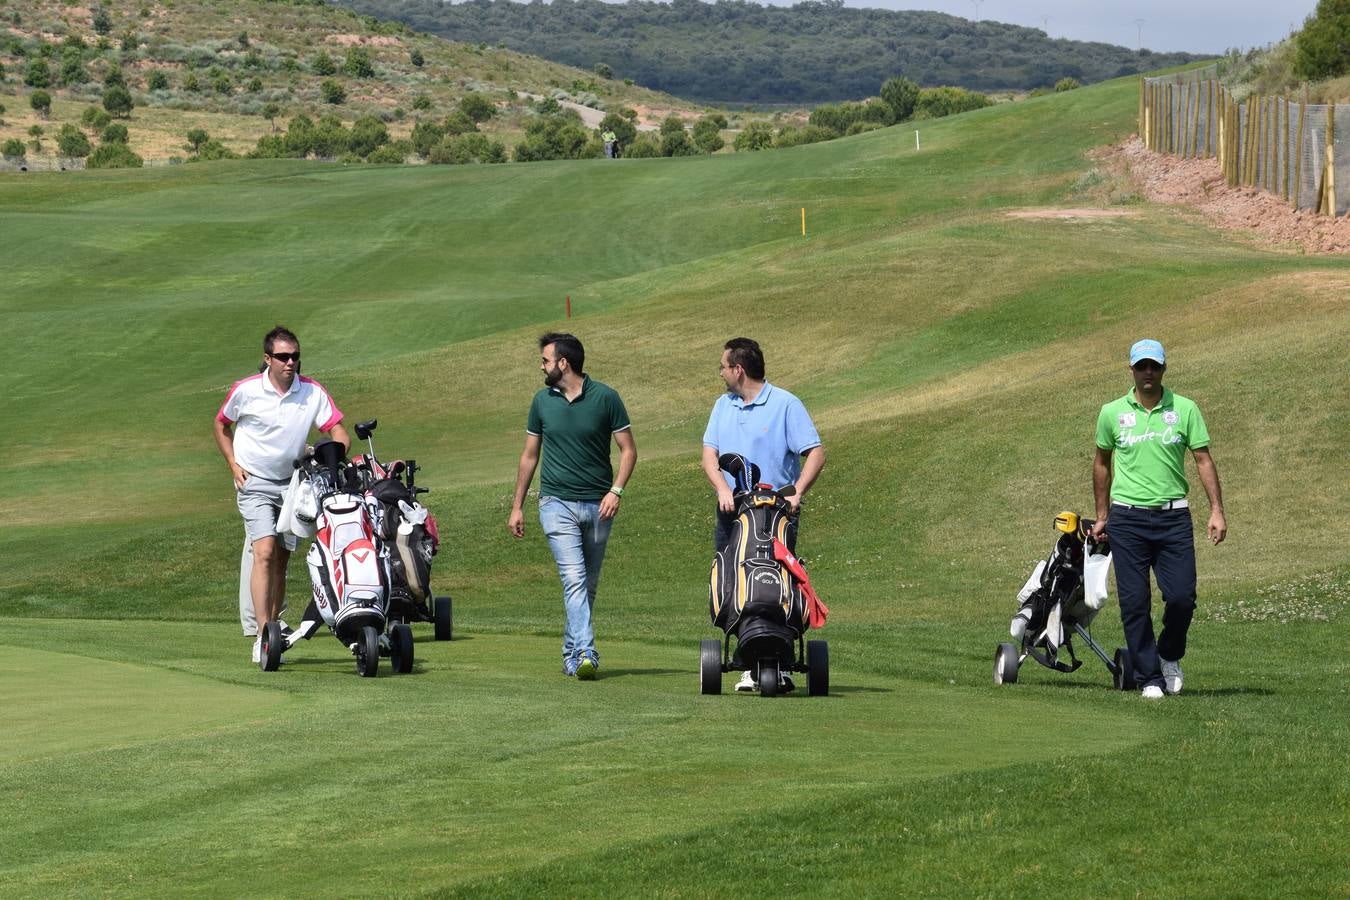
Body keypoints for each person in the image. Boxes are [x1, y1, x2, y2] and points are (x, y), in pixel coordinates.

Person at [1090, 339, 1226, 699]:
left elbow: (1203, 460)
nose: (1148, 372)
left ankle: (1168, 655)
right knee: (1134, 602)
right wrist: (1103, 515)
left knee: (1182, 597)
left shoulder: (1184, 409)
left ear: (1164, 368)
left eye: (1154, 366)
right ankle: (1149, 677)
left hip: (1173, 517)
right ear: (1131, 370)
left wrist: (1216, 510)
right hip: (1127, 519)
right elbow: (1101, 464)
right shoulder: (1112, 412)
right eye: (1141, 366)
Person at [214, 326, 348, 665]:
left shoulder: (312, 392)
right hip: (254, 481)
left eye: (295, 357)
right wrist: (232, 464)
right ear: (267, 359)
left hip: (295, 486)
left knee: (283, 560)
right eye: (283, 357)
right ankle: (262, 636)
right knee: (265, 551)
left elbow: (337, 430)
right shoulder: (246, 391)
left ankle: (272, 628)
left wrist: (334, 454)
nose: (291, 363)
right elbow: (221, 424)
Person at [509, 333, 636, 680]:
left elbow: (628, 450)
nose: (542, 366)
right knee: (574, 579)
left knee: (587, 584)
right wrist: (517, 505)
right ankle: (587, 653)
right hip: (555, 503)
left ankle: (570, 653)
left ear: (563, 363)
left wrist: (616, 491)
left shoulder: (606, 398)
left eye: (546, 360)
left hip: (599, 504)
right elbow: (529, 455)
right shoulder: (541, 401)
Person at [701, 337, 824, 692]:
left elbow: (815, 452)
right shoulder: (723, 406)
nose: (721, 373)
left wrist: (797, 492)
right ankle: (746, 660)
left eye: (723, 367)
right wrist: (723, 489)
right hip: (732, 511)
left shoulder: (785, 404)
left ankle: (781, 661)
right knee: (734, 581)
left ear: (738, 370)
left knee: (776, 583)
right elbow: (710, 455)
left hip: (776, 515)